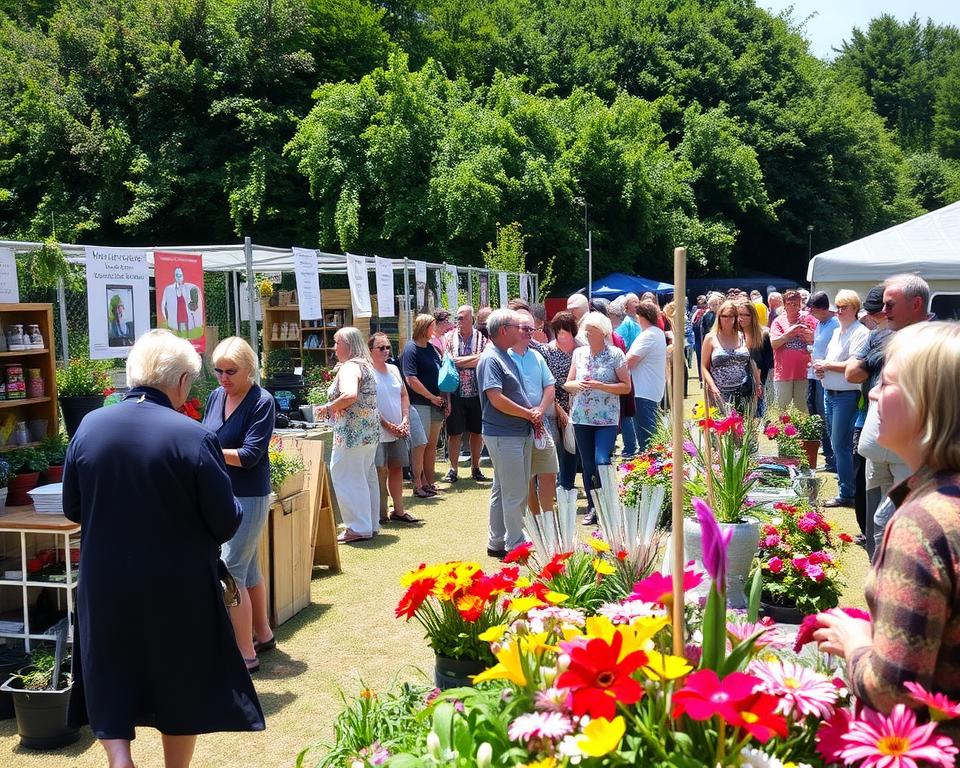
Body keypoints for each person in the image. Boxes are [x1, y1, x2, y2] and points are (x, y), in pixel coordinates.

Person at [63, 330, 264, 768]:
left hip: (105, 579)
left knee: (110, 670)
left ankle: (120, 760)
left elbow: (72, 507)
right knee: (178, 679)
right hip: (177, 583)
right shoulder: (192, 436)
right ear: (181, 383)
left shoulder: (89, 426)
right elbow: (226, 520)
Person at [814, 321, 960, 747]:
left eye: (888, 382)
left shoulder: (924, 524)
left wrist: (856, 642)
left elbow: (893, 692)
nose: (873, 392)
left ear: (927, 404)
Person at [202, 337, 276, 672]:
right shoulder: (216, 396)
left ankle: (244, 653)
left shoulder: (262, 401)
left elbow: (249, 456)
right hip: (222, 494)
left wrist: (206, 452)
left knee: (231, 573)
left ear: (249, 368)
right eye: (217, 370)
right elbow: (206, 434)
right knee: (249, 569)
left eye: (231, 371)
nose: (223, 377)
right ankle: (262, 633)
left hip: (249, 495)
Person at [848, 273, 931, 556]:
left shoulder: (936, 342)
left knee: (899, 523)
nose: (884, 312)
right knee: (876, 523)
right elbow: (853, 372)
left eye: (891, 305)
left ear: (916, 303)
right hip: (876, 448)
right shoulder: (883, 335)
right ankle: (878, 575)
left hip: (908, 452)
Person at [477, 309, 539, 557]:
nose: (522, 329)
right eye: (517, 326)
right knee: (515, 491)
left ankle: (498, 541)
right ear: (504, 330)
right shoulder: (492, 358)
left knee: (504, 489)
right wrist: (528, 414)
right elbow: (496, 398)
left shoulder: (502, 355)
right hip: (504, 434)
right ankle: (515, 544)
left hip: (512, 433)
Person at [564, 311, 631, 525]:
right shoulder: (579, 353)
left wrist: (602, 386)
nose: (587, 334)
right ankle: (593, 507)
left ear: (603, 333)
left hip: (606, 419)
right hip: (581, 417)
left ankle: (608, 501)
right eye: (586, 330)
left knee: (602, 460)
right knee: (588, 463)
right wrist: (577, 385)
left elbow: (626, 387)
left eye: (591, 331)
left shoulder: (615, 355)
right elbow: (568, 383)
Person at [317, 327, 380, 543]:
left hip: (352, 433)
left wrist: (328, 407)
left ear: (348, 345)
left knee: (346, 476)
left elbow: (350, 394)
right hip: (368, 432)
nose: (334, 348)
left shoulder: (350, 367)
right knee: (364, 476)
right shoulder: (366, 366)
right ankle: (370, 523)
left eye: (337, 343)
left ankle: (358, 527)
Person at [813, 290, 869, 508]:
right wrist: (821, 369)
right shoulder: (838, 331)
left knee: (840, 444)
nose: (839, 310)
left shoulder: (859, 333)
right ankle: (847, 487)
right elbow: (830, 359)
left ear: (855, 309)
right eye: (837, 306)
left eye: (843, 306)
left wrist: (825, 366)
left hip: (847, 395)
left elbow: (853, 365)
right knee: (838, 444)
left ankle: (847, 492)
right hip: (831, 392)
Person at [368, 333, 420, 524]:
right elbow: (371, 405)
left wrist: (405, 419)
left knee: (397, 468)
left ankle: (399, 510)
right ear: (370, 351)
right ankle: (381, 513)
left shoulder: (394, 370)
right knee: (380, 471)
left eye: (388, 347)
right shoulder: (368, 373)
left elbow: (404, 395)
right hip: (379, 431)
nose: (386, 351)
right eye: (381, 348)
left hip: (399, 429)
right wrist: (388, 425)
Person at [510, 310, 558, 515]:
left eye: (532, 328)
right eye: (524, 328)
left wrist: (539, 409)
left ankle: (547, 518)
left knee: (549, 470)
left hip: (540, 423)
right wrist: (527, 412)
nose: (529, 333)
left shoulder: (537, 356)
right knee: (526, 476)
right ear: (513, 329)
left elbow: (550, 387)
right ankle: (535, 517)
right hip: (516, 425)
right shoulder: (503, 357)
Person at [541, 312, 583, 512]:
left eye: (565, 331)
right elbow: (547, 384)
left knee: (572, 446)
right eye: (557, 332)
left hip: (577, 406)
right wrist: (559, 410)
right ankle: (560, 483)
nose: (561, 336)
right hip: (553, 405)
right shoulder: (548, 351)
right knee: (557, 444)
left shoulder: (581, 350)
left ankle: (567, 483)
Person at [442, 306, 487, 483]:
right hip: (455, 392)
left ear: (472, 319)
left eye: (462, 318)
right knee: (455, 432)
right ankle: (453, 469)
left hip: (476, 392)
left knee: (477, 431)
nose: (459, 321)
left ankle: (476, 467)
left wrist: (459, 361)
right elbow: (448, 361)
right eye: (457, 317)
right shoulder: (448, 337)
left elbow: (483, 359)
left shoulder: (481, 337)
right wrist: (473, 359)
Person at [402, 314, 446, 494]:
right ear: (424, 327)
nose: (434, 330)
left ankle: (429, 481)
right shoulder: (410, 349)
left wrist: (443, 400)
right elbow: (411, 379)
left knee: (431, 445)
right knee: (420, 445)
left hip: (437, 403)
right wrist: (431, 397)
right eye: (432, 326)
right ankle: (418, 484)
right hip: (420, 403)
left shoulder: (432, 349)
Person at [701, 299, 761, 414]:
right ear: (719, 317)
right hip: (720, 391)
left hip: (743, 390)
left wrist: (758, 383)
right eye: (724, 316)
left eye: (731, 316)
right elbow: (704, 367)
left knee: (744, 427)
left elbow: (750, 361)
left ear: (736, 317)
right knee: (723, 426)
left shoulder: (743, 336)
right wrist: (712, 387)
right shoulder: (710, 338)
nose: (728, 319)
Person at [625, 301, 667, 451]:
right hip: (650, 390)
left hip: (643, 392)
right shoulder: (657, 333)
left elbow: (629, 361)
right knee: (650, 438)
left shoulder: (648, 335)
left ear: (640, 316)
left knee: (647, 442)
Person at [806, 291, 839, 471]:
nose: (811, 314)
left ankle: (831, 458)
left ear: (821, 309)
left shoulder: (834, 325)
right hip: (813, 373)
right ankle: (828, 455)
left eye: (813, 310)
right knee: (816, 414)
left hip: (824, 376)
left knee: (825, 417)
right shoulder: (820, 323)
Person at [769, 289, 816, 412]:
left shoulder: (808, 319)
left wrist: (810, 337)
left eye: (796, 304)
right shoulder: (778, 321)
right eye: (789, 304)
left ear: (801, 304)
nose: (793, 307)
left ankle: (802, 431)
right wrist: (789, 334)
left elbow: (816, 340)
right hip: (783, 373)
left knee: (802, 409)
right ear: (784, 305)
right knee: (782, 410)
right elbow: (774, 344)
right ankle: (783, 431)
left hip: (804, 372)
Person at [737, 301, 773, 417]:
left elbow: (768, 363)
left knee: (757, 418)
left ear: (753, 316)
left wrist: (761, 384)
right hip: (737, 383)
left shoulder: (764, 334)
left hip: (759, 383)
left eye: (746, 315)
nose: (742, 318)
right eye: (739, 314)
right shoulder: (734, 335)